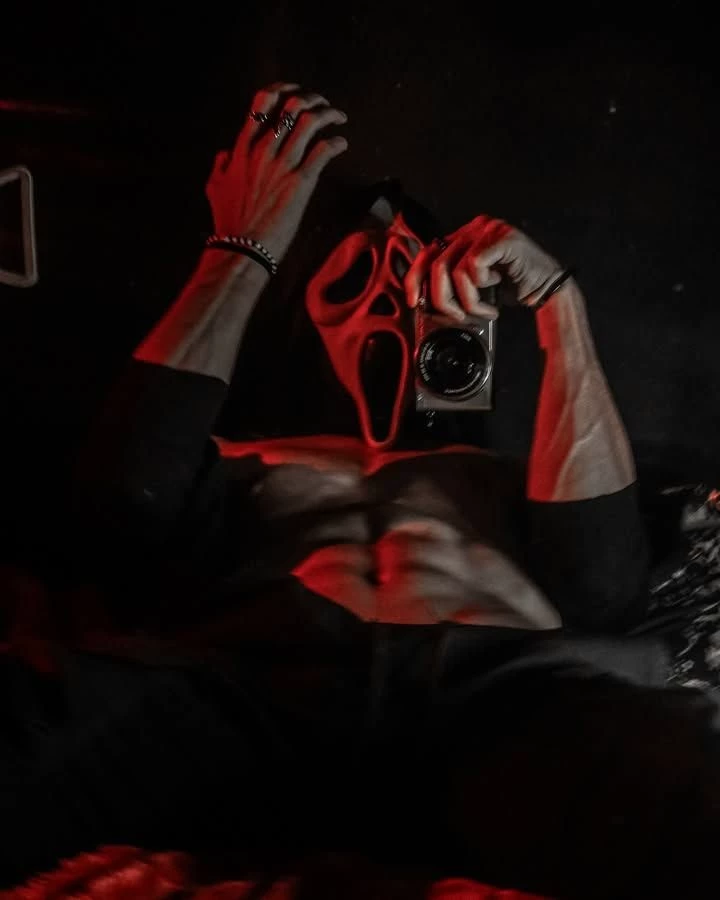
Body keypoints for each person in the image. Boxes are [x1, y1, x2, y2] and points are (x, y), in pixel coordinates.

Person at [3, 82, 720, 899]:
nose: (395, 290)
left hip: (499, 696)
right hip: (255, 684)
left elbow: (602, 583)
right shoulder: (241, 454)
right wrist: (245, 245)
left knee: (690, 788)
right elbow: (121, 503)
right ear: (303, 310)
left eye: (419, 273)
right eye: (353, 278)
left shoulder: (511, 477)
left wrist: (559, 305)